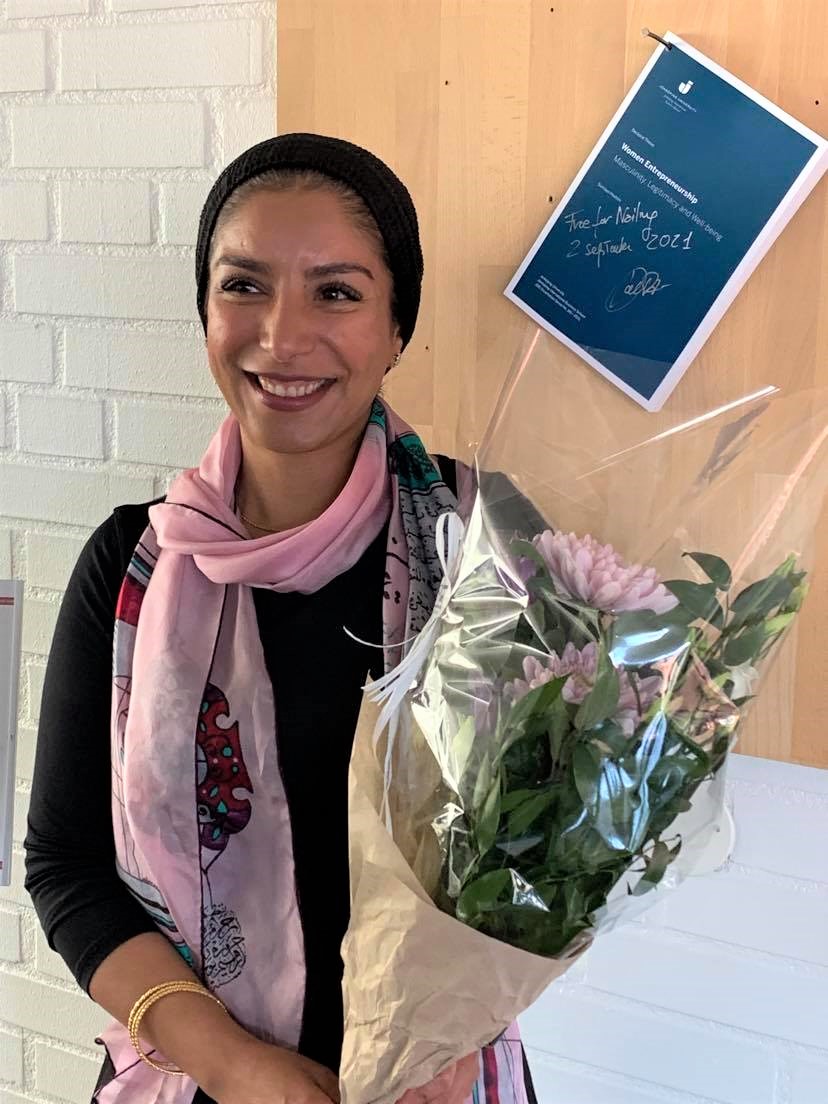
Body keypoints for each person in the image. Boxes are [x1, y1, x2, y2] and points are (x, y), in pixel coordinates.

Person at [24, 133, 537, 1104]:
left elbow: (560, 838)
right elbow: (66, 865)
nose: (280, 336)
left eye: (336, 292)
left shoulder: (481, 546)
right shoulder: (133, 568)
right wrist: (237, 1067)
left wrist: (454, 1041)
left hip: (439, 1084)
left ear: (397, 327)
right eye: (244, 286)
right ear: (205, 309)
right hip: (198, 1081)